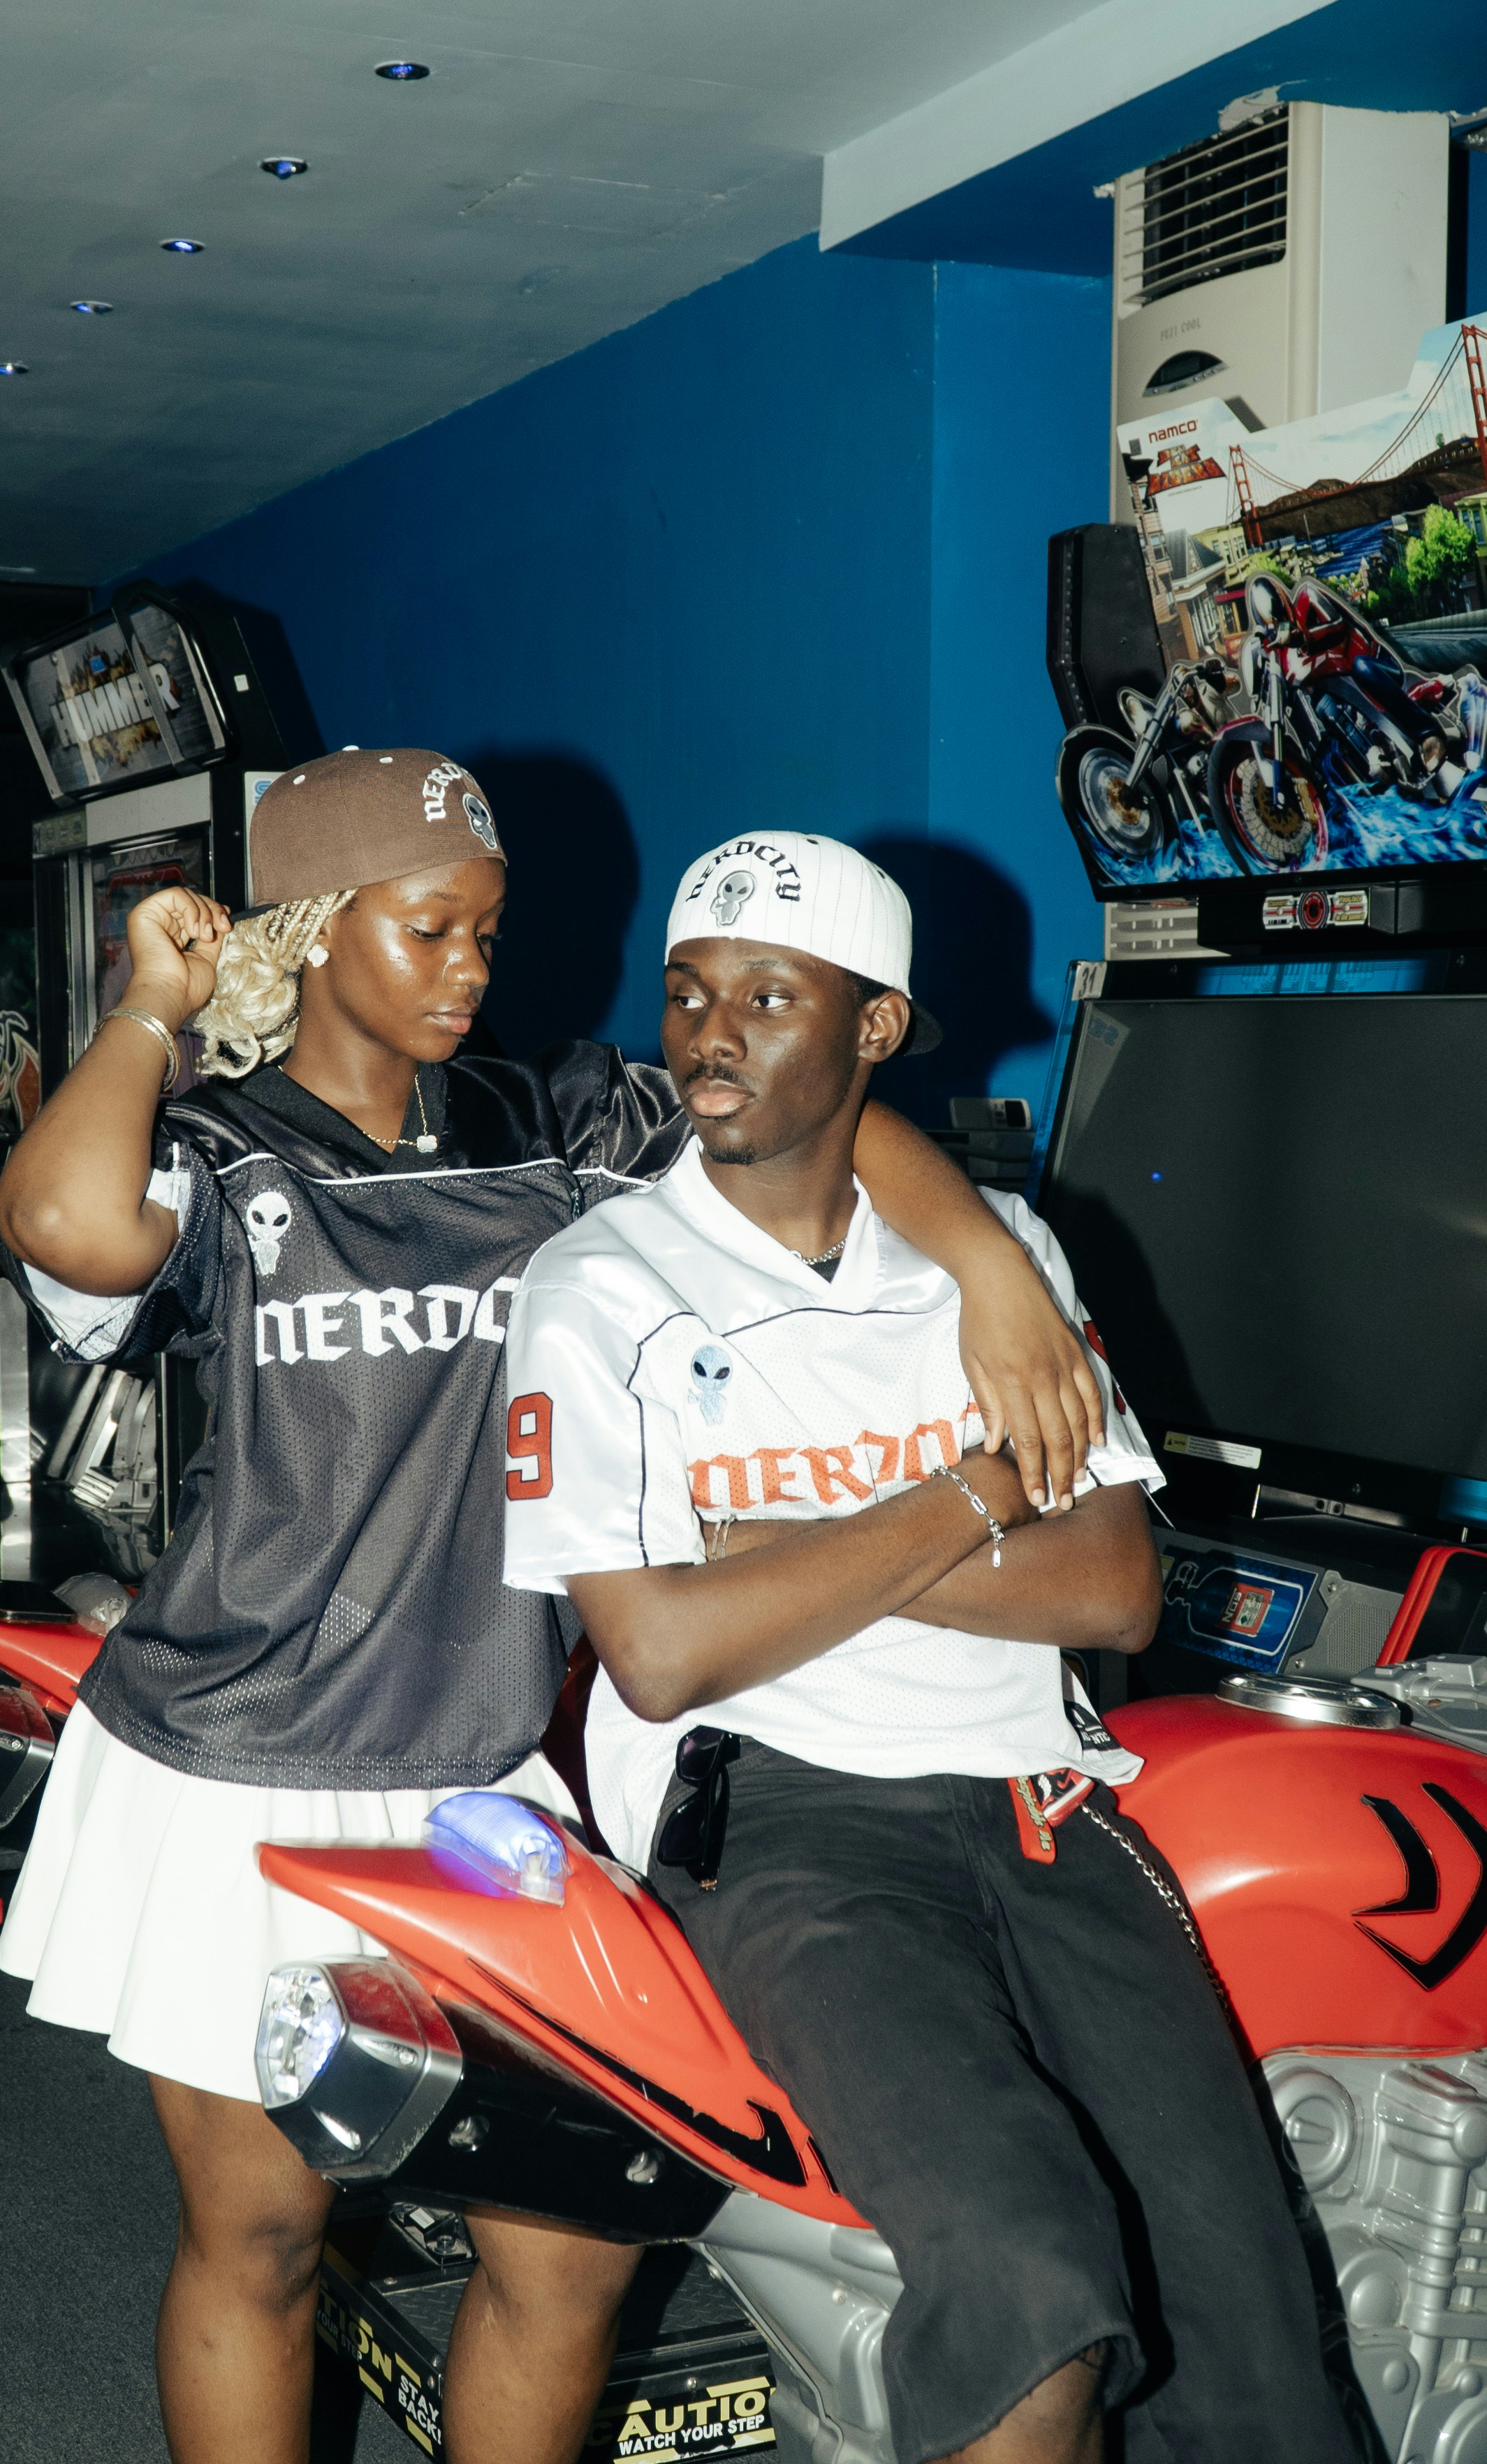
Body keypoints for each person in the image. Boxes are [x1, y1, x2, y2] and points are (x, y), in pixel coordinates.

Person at [0, 752, 1110, 2464]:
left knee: (575, 2247)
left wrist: (990, 1271)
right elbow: (63, 1220)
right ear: (312, 929)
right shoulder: (210, 1159)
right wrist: (155, 1001)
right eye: (429, 929)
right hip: (235, 1771)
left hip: (479, 1779)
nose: (468, 970)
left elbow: (827, 1119)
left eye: (487, 934)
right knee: (270, 2236)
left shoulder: (564, 1127)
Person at [501, 828, 1356, 2464]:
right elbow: (665, 1653)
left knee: (1243, 2333)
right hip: (781, 1824)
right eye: (686, 994)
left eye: (767, 994)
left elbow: (1110, 1587)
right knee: (1031, 2287)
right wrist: (974, 1494)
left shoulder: (1002, 1264)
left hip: (1041, 1808)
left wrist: (783, 1557)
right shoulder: (597, 1284)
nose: (708, 1033)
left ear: (875, 1028)